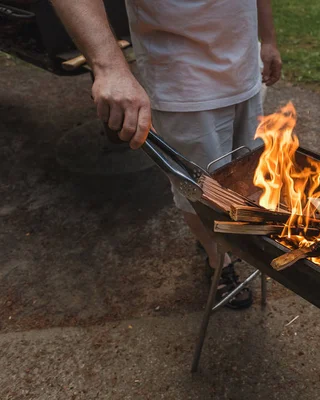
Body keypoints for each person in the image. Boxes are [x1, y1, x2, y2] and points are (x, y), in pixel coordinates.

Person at [53, 0, 282, 309]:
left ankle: (233, 240)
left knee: (247, 180)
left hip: (246, 68)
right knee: (199, 193)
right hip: (184, 82)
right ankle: (218, 261)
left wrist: (267, 39)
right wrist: (109, 68)